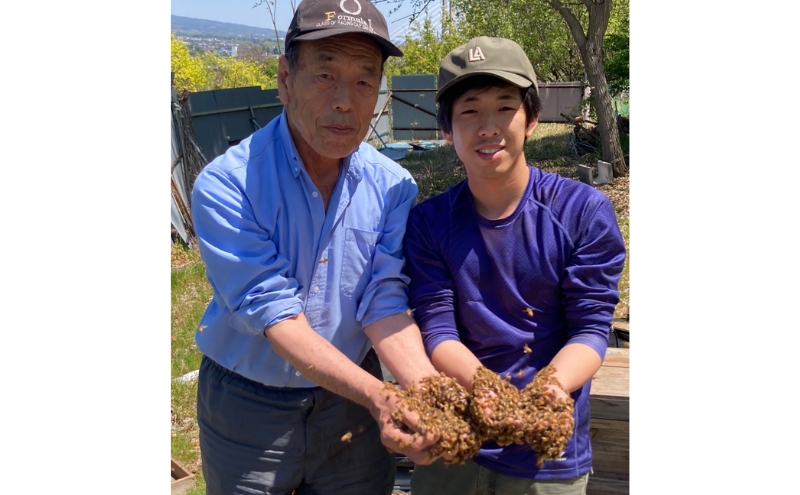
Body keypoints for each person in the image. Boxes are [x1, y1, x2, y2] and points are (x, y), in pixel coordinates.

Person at [189, 1, 444, 493]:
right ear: (286, 78)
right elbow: (274, 311)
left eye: (364, 81)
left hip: (353, 403)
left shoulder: (394, 187)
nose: (345, 100)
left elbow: (384, 297)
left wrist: (425, 391)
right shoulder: (227, 184)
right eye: (325, 75)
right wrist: (379, 395)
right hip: (249, 406)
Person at [403, 36, 627, 495]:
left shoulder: (582, 212)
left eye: (505, 107)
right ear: (447, 129)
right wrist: (485, 387)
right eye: (469, 111)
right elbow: (438, 329)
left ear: (532, 119)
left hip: (548, 454)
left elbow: (591, 328)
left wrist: (551, 388)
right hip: (456, 441)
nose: (488, 127)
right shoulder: (428, 223)